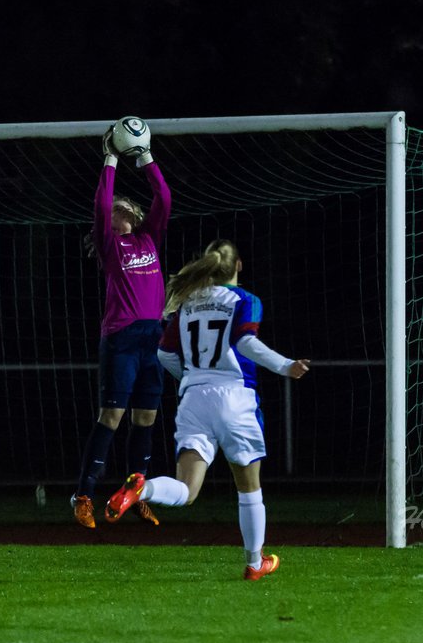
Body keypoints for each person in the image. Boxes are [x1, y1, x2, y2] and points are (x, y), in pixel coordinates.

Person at [104, 239, 309, 580]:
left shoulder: (186, 304)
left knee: (187, 490)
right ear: (238, 266)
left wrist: (192, 377)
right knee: (248, 486)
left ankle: (144, 488)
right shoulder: (245, 300)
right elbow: (245, 342)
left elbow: (164, 354)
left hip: (194, 399)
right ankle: (255, 562)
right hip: (234, 398)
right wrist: (287, 366)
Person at [71, 120, 172, 529]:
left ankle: (135, 494)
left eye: (122, 208)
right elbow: (100, 205)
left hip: (154, 338)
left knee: (145, 419)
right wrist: (111, 159)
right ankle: (83, 494)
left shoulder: (149, 238)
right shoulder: (112, 248)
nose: (116, 210)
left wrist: (145, 157)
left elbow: (164, 196)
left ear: (134, 214)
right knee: (111, 417)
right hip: (123, 339)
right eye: (111, 210)